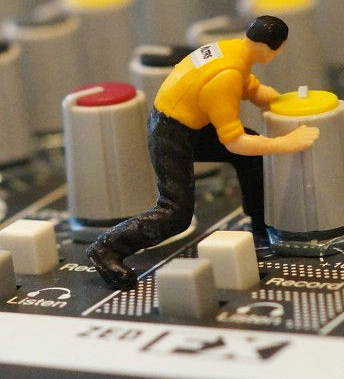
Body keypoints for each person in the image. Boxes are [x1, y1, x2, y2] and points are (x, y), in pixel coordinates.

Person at [87, 15, 320, 290]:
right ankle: (106, 249)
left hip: (185, 124)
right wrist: (287, 143)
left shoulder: (232, 49)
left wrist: (269, 97)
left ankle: (260, 222)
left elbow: (245, 85)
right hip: (170, 134)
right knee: (175, 213)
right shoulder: (227, 76)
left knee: (252, 155)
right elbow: (235, 142)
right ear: (273, 48)